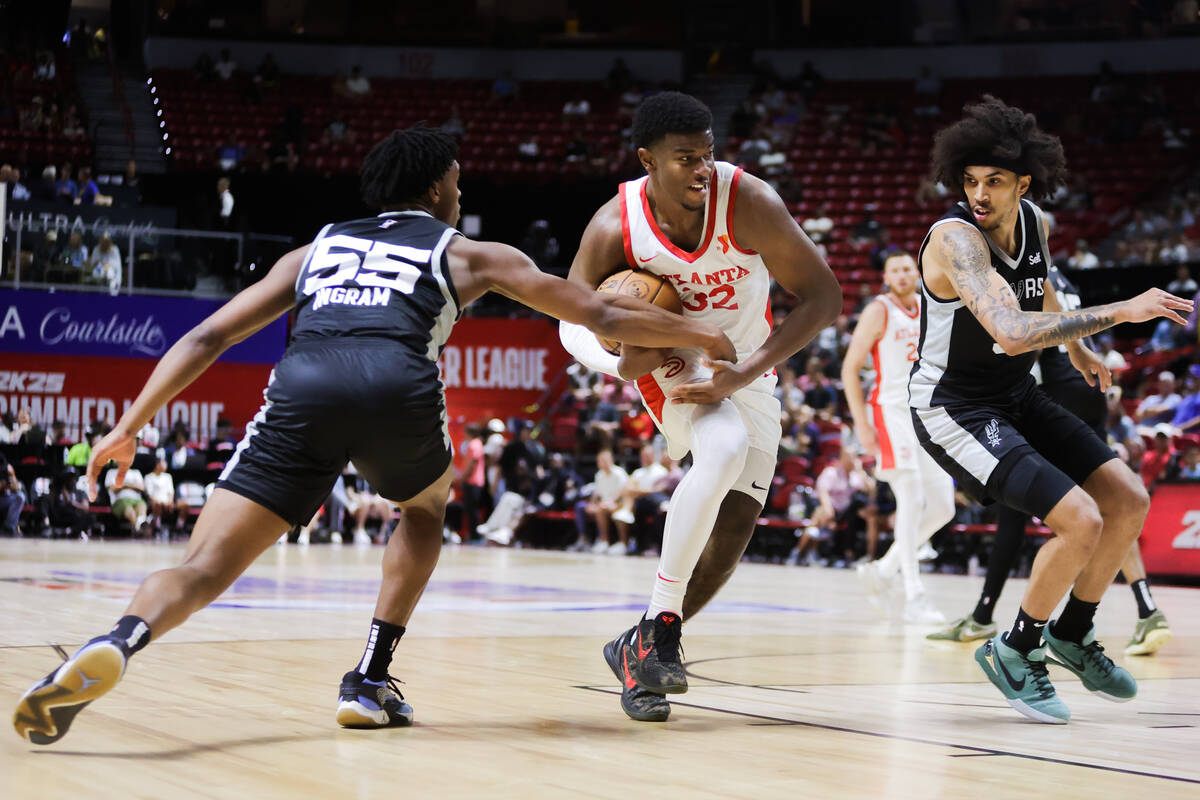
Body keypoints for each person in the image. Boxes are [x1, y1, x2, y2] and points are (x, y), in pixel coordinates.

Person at [12, 124, 735, 746]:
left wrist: (128, 426)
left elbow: (207, 337)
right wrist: (703, 334)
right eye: (457, 184)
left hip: (304, 390)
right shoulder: (468, 252)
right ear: (436, 189)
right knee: (422, 509)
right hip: (397, 387)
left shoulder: (312, 252)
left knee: (201, 567)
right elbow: (599, 315)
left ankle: (120, 639)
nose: (460, 196)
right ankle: (368, 677)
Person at [557, 91, 840, 721]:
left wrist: (747, 370)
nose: (702, 169)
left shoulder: (749, 202)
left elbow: (824, 297)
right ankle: (660, 628)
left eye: (708, 154)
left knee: (733, 531)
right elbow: (569, 320)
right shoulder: (614, 225)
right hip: (673, 356)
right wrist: (620, 362)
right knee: (724, 447)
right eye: (686, 158)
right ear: (648, 161)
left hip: (747, 364)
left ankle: (639, 647)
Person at [909, 95, 1191, 724]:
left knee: (1129, 500)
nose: (979, 194)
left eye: (994, 181)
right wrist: (1121, 311)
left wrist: (1078, 346)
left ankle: (1073, 633)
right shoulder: (956, 241)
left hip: (1015, 394)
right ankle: (1015, 648)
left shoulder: (1033, 221)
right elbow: (1011, 331)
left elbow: (1042, 291)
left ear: (1023, 184)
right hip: (954, 406)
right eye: (970, 181)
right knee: (1080, 520)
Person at [930, 264, 1171, 657]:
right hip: (1092, 387)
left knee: (1018, 513)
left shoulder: (1009, 274)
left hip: (1054, 389)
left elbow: (1023, 339)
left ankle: (989, 617)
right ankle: (1144, 607)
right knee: (1118, 500)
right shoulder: (1060, 279)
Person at [843, 251, 955, 623]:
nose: (903, 274)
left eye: (908, 268)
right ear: (886, 277)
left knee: (943, 508)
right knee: (911, 497)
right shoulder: (879, 310)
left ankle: (883, 570)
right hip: (891, 411)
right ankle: (914, 595)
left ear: (918, 273)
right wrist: (862, 425)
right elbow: (849, 368)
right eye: (895, 270)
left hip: (928, 411)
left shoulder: (929, 307)